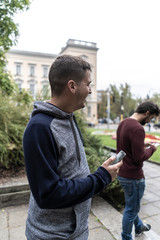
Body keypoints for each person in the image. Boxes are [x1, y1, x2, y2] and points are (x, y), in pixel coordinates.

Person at [23, 54, 123, 240]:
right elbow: (48, 194)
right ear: (72, 86)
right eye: (88, 84)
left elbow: (69, 170)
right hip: (51, 235)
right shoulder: (39, 128)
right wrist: (101, 177)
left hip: (76, 231)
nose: (91, 91)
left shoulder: (68, 117)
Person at [116, 101, 160, 240]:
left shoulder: (124, 123)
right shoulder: (138, 128)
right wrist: (152, 148)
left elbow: (126, 144)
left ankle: (139, 226)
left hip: (122, 172)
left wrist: (142, 143)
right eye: (151, 117)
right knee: (131, 210)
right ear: (147, 113)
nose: (150, 120)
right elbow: (139, 157)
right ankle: (126, 237)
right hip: (133, 177)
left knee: (131, 205)